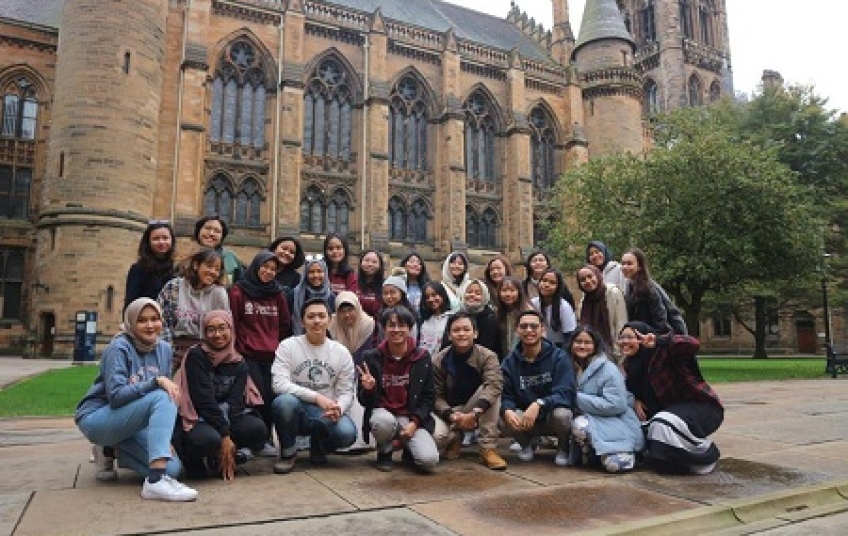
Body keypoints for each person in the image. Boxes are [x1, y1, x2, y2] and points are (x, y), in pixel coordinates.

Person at [75, 298, 197, 501]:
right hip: (97, 417)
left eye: (155, 319)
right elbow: (116, 397)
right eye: (142, 320)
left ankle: (109, 450)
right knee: (163, 394)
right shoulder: (118, 347)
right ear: (131, 323)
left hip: (131, 422)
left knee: (172, 469)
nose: (150, 325)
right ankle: (155, 482)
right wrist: (155, 382)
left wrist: (162, 441)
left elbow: (154, 403)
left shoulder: (164, 349)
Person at [619, 321, 723, 474]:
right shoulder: (629, 366)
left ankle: (704, 455)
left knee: (661, 424)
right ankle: (677, 462)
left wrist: (659, 341)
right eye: (621, 337)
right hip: (672, 412)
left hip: (702, 408)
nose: (624, 341)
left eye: (630, 337)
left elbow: (692, 344)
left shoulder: (662, 353)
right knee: (647, 435)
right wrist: (634, 399)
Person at [175, 310, 268, 480]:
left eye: (222, 328)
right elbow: (203, 401)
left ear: (231, 329)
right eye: (211, 330)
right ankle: (193, 459)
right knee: (208, 440)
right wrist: (225, 436)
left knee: (257, 429)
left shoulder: (238, 362)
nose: (217, 334)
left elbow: (236, 403)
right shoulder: (197, 356)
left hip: (225, 414)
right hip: (198, 415)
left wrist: (229, 437)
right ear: (204, 332)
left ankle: (221, 456)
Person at [270, 298, 358, 474]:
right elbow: (278, 384)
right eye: (310, 317)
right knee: (284, 402)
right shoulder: (288, 346)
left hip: (326, 412)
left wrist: (339, 408)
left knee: (347, 433)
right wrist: (316, 398)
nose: (316, 321)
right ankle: (288, 453)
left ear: (329, 320)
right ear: (302, 321)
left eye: (321, 316)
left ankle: (319, 446)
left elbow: (346, 391)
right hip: (296, 409)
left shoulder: (341, 352)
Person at [358, 306, 438, 472]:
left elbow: (429, 397)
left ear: (410, 328)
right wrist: (369, 389)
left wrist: (415, 423)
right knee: (382, 422)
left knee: (428, 461)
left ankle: (408, 449)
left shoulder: (422, 357)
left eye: (401, 325)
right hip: (383, 413)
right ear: (384, 328)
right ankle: (385, 451)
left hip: (409, 415)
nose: (396, 330)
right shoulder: (372, 357)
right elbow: (364, 400)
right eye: (391, 325)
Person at [229, 251, 293, 456]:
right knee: (255, 396)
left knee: (272, 396)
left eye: (273, 269)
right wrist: (237, 348)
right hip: (247, 353)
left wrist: (278, 346)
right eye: (265, 267)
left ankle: (265, 439)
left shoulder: (278, 294)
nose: (268, 272)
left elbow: (284, 324)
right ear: (255, 267)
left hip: (272, 354)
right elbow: (233, 321)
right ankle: (252, 440)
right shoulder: (238, 291)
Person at [500, 309, 576, 466]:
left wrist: (540, 403)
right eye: (524, 326)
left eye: (534, 326)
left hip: (551, 416)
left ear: (542, 329)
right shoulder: (509, 362)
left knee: (562, 415)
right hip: (525, 419)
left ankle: (563, 447)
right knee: (500, 415)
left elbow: (566, 392)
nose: (529, 330)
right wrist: (507, 409)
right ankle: (527, 444)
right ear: (517, 330)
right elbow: (506, 394)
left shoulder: (559, 357)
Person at [432, 313, 507, 470]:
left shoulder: (488, 356)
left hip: (477, 406)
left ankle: (488, 447)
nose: (461, 334)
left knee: (491, 391)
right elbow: (436, 396)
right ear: (449, 335)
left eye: (466, 329)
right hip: (451, 410)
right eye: (456, 330)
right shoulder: (438, 360)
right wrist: (452, 416)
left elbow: (494, 385)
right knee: (438, 437)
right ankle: (455, 437)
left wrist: (475, 413)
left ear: (475, 333)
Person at [568, 326, 644, 472]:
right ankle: (592, 454)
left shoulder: (608, 369)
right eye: (578, 342)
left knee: (614, 465)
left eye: (587, 342)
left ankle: (631, 454)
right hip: (592, 419)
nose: (582, 346)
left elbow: (617, 404)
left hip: (615, 421)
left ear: (595, 345)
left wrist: (576, 398)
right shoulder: (569, 366)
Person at [158, 247, 229, 370]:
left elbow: (225, 328)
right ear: (196, 265)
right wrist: (167, 351)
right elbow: (161, 320)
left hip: (205, 351)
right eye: (209, 266)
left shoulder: (219, 294)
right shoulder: (174, 287)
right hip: (174, 348)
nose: (213, 272)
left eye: (217, 269)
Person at [328, 291, 383, 450]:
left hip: (362, 373)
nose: (347, 315)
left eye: (350, 310)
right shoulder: (330, 325)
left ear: (358, 308)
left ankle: (363, 441)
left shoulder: (369, 325)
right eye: (342, 311)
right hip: (337, 373)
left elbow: (368, 353)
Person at [124, 220, 176, 311]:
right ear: (148, 242)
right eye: (156, 238)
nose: (161, 242)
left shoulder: (176, 269)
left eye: (165, 238)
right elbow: (131, 303)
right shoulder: (138, 269)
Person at [575, 264, 628, 354]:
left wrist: (619, 351)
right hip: (592, 352)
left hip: (614, 350)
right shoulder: (584, 302)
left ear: (597, 275)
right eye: (583, 280)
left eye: (590, 276)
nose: (588, 281)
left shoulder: (613, 293)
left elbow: (621, 323)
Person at [620, 249, 671, 335]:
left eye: (629, 263)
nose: (625, 267)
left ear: (640, 266)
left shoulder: (648, 289)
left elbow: (660, 320)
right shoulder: (630, 285)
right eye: (623, 263)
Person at [446, 279, 501, 357]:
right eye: (469, 292)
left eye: (477, 293)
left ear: (484, 297)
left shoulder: (490, 318)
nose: (472, 295)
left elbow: (487, 346)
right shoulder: (456, 316)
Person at [530, 269, 577, 349]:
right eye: (544, 280)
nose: (546, 285)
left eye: (552, 283)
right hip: (538, 346)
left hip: (560, 347)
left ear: (558, 287)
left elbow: (570, 336)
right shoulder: (533, 303)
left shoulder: (564, 307)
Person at [194, 215, 244, 287]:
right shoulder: (188, 258)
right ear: (198, 231)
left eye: (217, 231)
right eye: (207, 228)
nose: (211, 233)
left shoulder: (230, 258)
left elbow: (241, 285)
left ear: (222, 237)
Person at [290, 257, 336, 335]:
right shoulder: (294, 294)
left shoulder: (331, 297)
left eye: (319, 271)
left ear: (325, 273)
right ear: (306, 274)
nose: (315, 275)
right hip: (297, 339)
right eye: (311, 272)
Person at [495, 276, 532, 358]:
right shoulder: (498, 312)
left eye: (512, 290)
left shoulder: (528, 312)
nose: (508, 294)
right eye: (504, 290)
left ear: (519, 292)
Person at [418, 282, 454, 358]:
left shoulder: (452, 318)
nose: (431, 299)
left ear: (442, 295)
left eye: (434, 295)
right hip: (422, 361)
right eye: (427, 297)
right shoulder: (422, 320)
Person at [356, 249, 384, 318]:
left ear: (380, 266)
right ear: (360, 263)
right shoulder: (353, 281)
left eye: (374, 262)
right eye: (366, 260)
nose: (370, 264)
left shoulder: (385, 285)